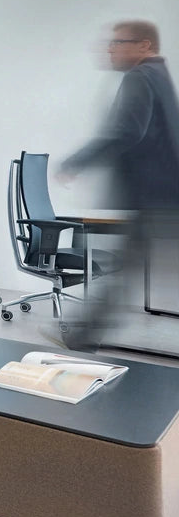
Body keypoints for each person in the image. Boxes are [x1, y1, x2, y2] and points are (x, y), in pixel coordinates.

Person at [58, 20, 179, 348]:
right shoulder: (159, 75)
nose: (111, 49)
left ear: (144, 45)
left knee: (124, 273)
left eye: (119, 42)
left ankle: (82, 338)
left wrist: (76, 162)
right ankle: (83, 336)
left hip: (156, 196)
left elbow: (126, 131)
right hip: (164, 196)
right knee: (126, 271)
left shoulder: (140, 76)